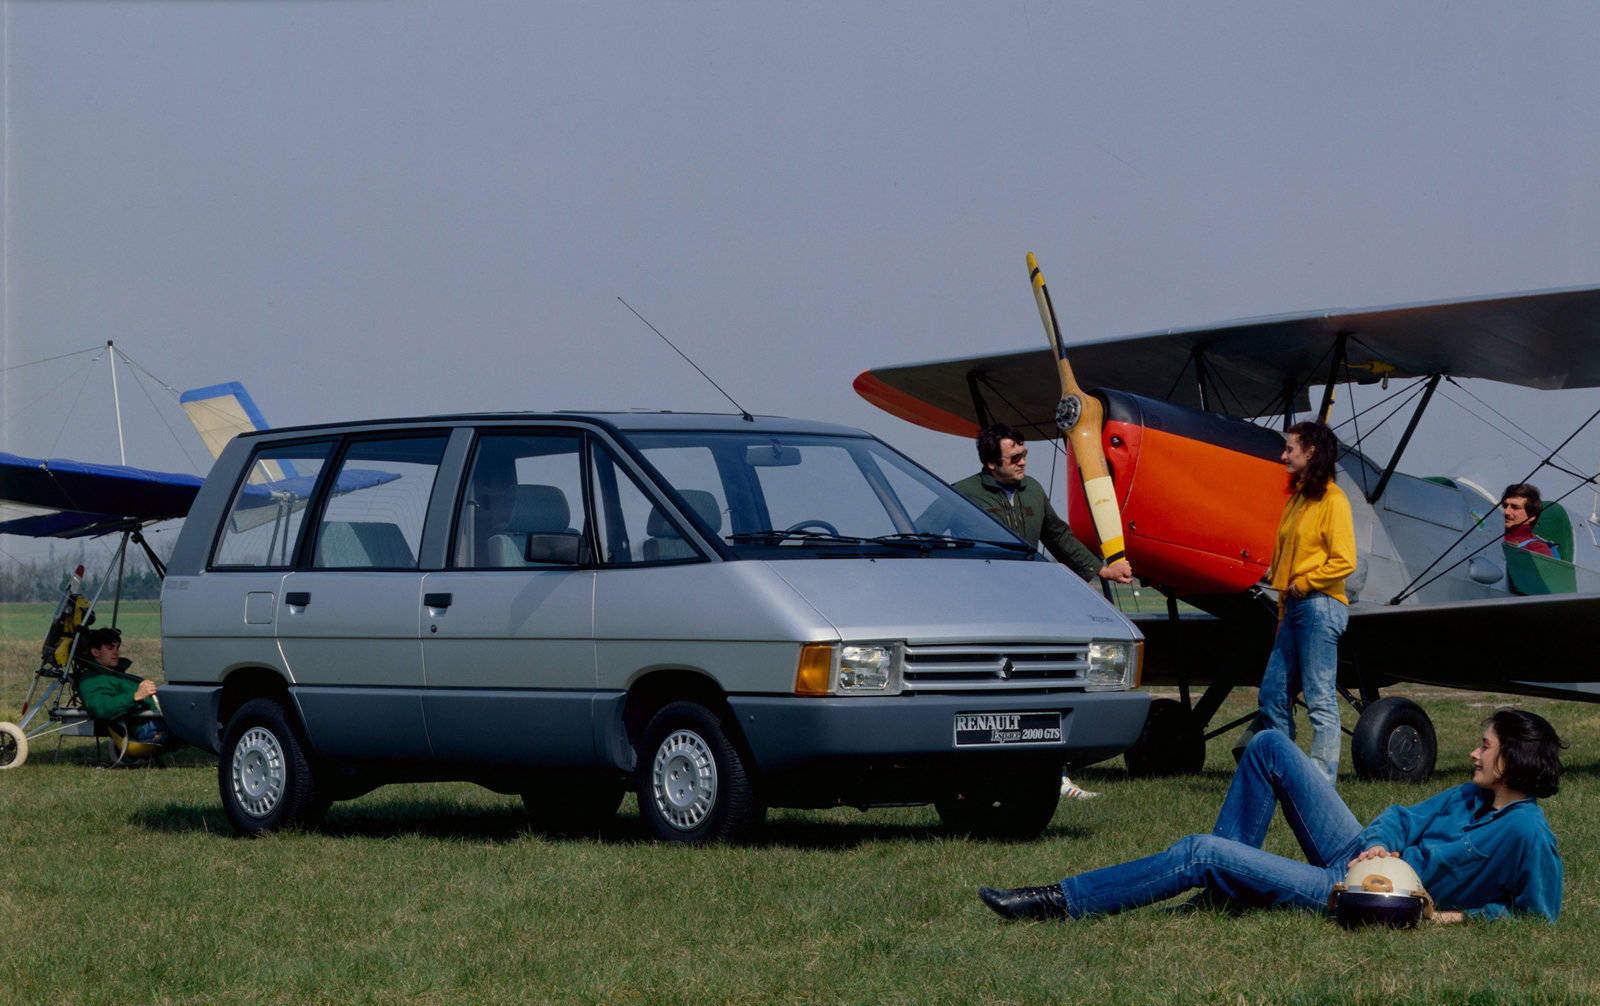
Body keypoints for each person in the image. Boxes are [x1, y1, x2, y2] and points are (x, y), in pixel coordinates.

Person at [979, 709, 1564, 923]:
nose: (1474, 754)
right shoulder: (1469, 794)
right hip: (1362, 855)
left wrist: (1453, 917)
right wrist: (1379, 842)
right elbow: (1400, 816)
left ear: (1512, 759)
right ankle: (1223, 891)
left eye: (1485, 746)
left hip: (1360, 894)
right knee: (1268, 746)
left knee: (1201, 851)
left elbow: (1538, 915)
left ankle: (1058, 901)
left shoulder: (1526, 832)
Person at [1254, 420, 1355, 785]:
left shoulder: (1334, 500)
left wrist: (1304, 584)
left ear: (1311, 452)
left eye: (1290, 449)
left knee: (1319, 697)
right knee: (1271, 694)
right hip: (1295, 606)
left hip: (1320, 604)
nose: (1283, 455)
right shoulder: (1297, 499)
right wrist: (1284, 608)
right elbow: (1285, 562)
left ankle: (1320, 783)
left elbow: (1345, 561)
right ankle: (1289, 774)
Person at [949, 424, 1133, 584]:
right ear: (991, 463)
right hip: (982, 586)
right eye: (1015, 458)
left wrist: (1103, 570)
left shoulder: (1032, 489)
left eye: (1024, 454)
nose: (1023, 462)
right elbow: (930, 533)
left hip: (1027, 584)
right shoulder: (962, 493)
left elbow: (1058, 536)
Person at [76, 627, 173, 747]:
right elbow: (101, 709)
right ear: (95, 652)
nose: (116, 652)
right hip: (145, 728)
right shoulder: (91, 681)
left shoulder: (117, 674)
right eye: (110, 648)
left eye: (117, 648)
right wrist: (135, 696)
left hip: (156, 719)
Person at [1502, 483, 1557, 558]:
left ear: (1531, 516)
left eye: (1515, 507)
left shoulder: (1537, 549)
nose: (1506, 512)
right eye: (1505, 506)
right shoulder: (1490, 533)